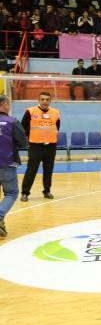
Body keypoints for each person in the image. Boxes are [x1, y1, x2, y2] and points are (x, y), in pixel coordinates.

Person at [20, 92, 60, 201]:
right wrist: (31, 136)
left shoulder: (55, 112)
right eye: (42, 99)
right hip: (35, 146)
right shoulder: (30, 111)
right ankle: (25, 193)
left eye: (47, 99)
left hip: (50, 146)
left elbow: (57, 127)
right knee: (31, 170)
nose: (45, 101)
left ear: (50, 101)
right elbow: (23, 127)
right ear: (39, 100)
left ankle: (47, 191)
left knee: (48, 170)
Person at [0, 95, 28, 237]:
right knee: (11, 193)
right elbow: (23, 142)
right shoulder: (12, 121)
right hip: (7, 163)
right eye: (8, 104)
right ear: (5, 105)